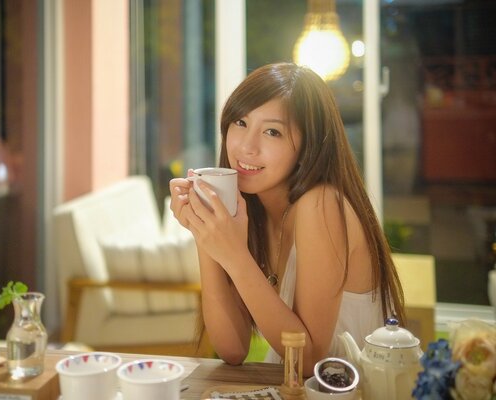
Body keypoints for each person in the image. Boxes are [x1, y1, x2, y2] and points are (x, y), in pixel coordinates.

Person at [169, 63, 406, 375]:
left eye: (272, 132)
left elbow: (308, 360)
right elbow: (233, 349)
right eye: (240, 122)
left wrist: (234, 256)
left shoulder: (321, 205)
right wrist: (206, 233)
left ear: (309, 145)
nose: (246, 146)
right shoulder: (254, 210)